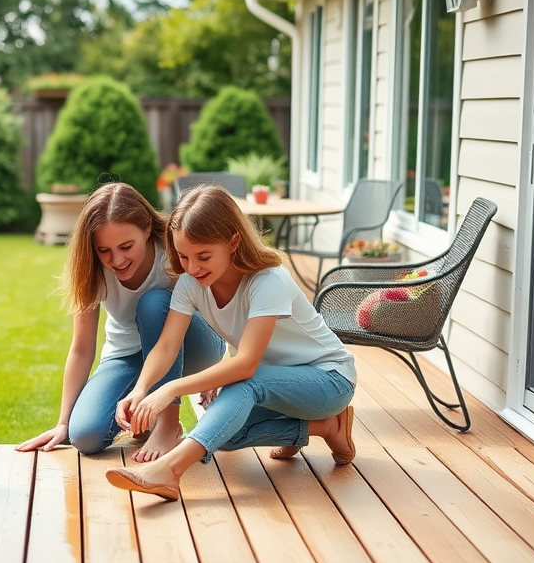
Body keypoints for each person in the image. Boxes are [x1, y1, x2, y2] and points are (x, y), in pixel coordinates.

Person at [106, 185, 357, 501]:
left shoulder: (268, 280)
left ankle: (170, 470)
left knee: (242, 386)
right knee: (221, 431)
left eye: (204, 256)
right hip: (277, 383)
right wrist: (141, 389)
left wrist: (170, 389)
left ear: (234, 241)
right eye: (183, 256)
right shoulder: (191, 283)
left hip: (330, 381)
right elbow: (167, 346)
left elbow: (247, 364)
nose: (193, 267)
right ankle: (326, 428)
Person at [17, 182, 226, 461]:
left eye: (126, 246)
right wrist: (63, 423)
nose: (116, 260)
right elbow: (81, 348)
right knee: (86, 436)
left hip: (195, 346)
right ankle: (144, 419)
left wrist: (222, 372)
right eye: (104, 250)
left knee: (153, 304)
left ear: (147, 230)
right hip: (130, 356)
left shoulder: (172, 251)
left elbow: (223, 303)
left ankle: (168, 426)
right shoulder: (92, 270)